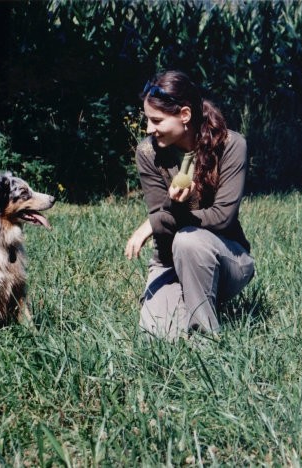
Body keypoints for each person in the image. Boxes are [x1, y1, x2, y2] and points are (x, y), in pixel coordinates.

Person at [124, 70, 255, 340]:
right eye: (147, 120)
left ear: (185, 115)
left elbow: (222, 218)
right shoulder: (147, 153)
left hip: (228, 258)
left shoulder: (232, 145)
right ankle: (192, 300)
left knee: (189, 240)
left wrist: (155, 221)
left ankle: (206, 340)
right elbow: (162, 223)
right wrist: (162, 217)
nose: (149, 129)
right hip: (169, 261)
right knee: (156, 337)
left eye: (156, 120)